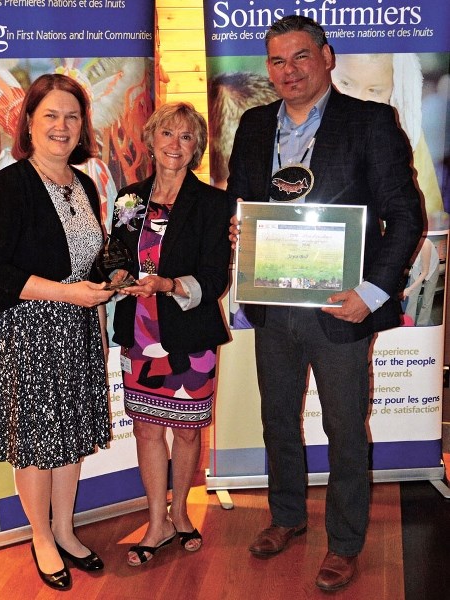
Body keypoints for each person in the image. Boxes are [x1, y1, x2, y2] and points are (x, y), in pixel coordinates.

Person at [227, 16, 423, 591]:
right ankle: (286, 516)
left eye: (300, 57)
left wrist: (372, 293)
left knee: (343, 427)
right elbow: (241, 201)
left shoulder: (369, 122)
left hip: (342, 307)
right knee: (277, 420)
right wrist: (239, 229)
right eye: (277, 61)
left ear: (326, 56)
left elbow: (406, 215)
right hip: (273, 304)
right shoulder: (255, 124)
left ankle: (343, 542)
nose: (289, 71)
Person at [0, 74, 119, 591]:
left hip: (76, 326)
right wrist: (71, 294)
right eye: (51, 116)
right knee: (37, 442)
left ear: (83, 125)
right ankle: (41, 535)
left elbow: (86, 257)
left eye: (72, 116)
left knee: (70, 436)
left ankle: (65, 527)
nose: (62, 126)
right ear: (30, 124)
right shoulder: (10, 184)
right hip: (24, 330)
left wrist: (111, 278)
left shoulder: (82, 184)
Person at [110, 102, 231, 566]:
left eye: (185, 137)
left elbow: (215, 276)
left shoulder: (214, 203)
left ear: (196, 146)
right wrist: (119, 275)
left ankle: (180, 513)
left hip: (189, 336)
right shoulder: (128, 200)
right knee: (145, 430)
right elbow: (114, 254)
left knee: (185, 431)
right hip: (138, 333)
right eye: (166, 134)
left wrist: (168, 284)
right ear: (151, 141)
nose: (175, 144)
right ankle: (155, 521)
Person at [331, 52, 445, 229]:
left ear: (394, 92)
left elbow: (426, 217)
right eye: (345, 84)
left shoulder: (409, 138)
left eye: (374, 91)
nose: (358, 99)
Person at [403, 237, 440, 326]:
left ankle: (422, 324)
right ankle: (409, 323)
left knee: (427, 299)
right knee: (412, 296)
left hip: (431, 268)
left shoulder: (425, 244)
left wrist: (409, 288)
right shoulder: (406, 243)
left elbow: (425, 272)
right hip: (417, 266)